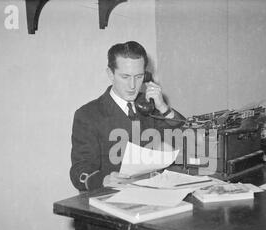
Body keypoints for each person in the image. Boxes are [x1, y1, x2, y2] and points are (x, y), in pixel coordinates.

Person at [70, 41, 185, 191]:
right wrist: (103, 179)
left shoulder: (151, 106)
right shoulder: (88, 115)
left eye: (138, 77)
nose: (132, 86)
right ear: (110, 74)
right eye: (125, 77)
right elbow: (79, 170)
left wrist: (163, 107)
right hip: (113, 198)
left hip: (154, 193)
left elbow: (185, 136)